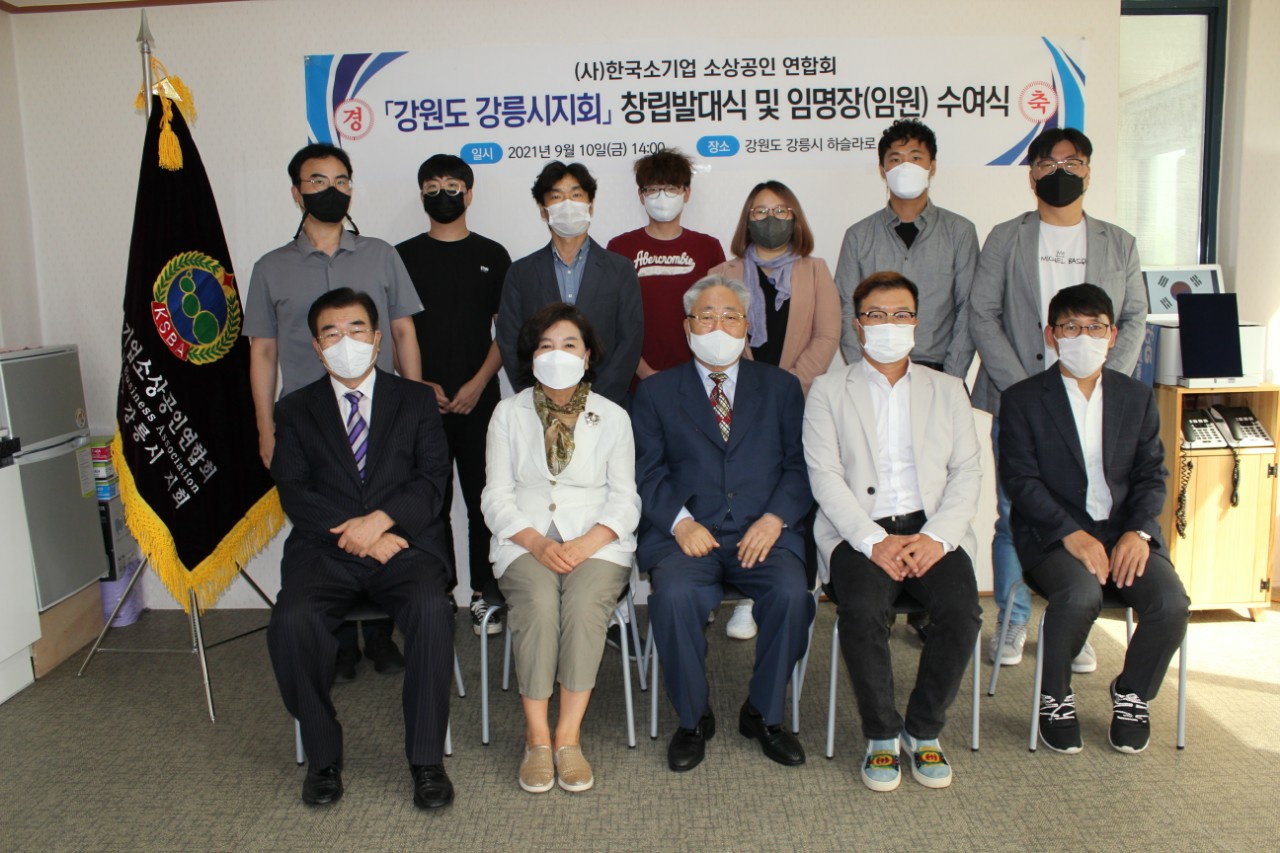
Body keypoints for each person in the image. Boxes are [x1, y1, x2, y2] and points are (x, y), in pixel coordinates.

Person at [267, 288, 455, 809]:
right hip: (326, 550)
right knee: (292, 621)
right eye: (331, 333)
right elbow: (293, 489)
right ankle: (323, 756)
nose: (344, 341)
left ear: (376, 339)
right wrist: (357, 534)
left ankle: (426, 760)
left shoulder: (415, 399)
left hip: (403, 545)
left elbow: (433, 479)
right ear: (316, 346)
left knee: (432, 609)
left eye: (355, 329)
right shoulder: (295, 409)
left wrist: (380, 523)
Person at [969, 127, 1148, 671]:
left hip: (1096, 403)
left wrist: (1102, 383)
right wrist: (1026, 392)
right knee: (1013, 513)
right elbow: (983, 314)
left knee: (1090, 515)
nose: (1059, 171)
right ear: (1032, 175)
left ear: (1089, 171)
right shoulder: (1006, 236)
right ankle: (1013, 617)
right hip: (1020, 399)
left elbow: (1133, 317)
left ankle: (1076, 618)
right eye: (1047, 163)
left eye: (1071, 162)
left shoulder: (1119, 242)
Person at [246, 143, 423, 682]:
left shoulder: (381, 255)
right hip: (311, 428)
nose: (332, 189)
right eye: (318, 181)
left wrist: (417, 407)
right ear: (296, 191)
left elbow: (403, 332)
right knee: (326, 518)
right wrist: (265, 427)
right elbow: (263, 352)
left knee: (384, 509)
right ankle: (341, 640)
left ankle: (383, 634)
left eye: (341, 180)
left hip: (380, 417)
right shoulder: (270, 268)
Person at [803, 272, 982, 792]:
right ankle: (881, 733)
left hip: (931, 528)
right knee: (862, 611)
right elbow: (824, 475)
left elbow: (967, 472)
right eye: (876, 315)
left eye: (900, 314)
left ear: (916, 323)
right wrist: (872, 540)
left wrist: (937, 538)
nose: (889, 324)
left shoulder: (947, 389)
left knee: (962, 612)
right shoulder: (828, 390)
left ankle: (923, 730)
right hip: (857, 531)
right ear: (858, 326)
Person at [633, 274, 816, 773]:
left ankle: (763, 713)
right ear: (688, 326)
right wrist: (679, 523)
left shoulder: (781, 388)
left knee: (791, 595)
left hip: (764, 533)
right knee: (673, 599)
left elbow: (801, 466)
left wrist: (776, 519)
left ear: (748, 326)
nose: (719, 326)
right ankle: (693, 719)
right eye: (707, 316)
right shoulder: (656, 392)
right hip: (688, 537)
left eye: (731, 316)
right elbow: (645, 472)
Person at [998, 284, 1188, 754]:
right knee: (1080, 595)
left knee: (1170, 604)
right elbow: (1021, 481)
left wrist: (1138, 532)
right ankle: (1055, 697)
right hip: (1053, 535)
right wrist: (1070, 533)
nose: (1084, 337)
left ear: (1112, 335)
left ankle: (1132, 692)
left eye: (1095, 327)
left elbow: (1152, 475)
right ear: (1051, 335)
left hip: (1124, 532)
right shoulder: (1023, 399)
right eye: (1071, 327)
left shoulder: (1135, 397)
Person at [481, 303, 640, 794]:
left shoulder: (613, 416)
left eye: (569, 344)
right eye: (546, 345)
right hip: (523, 539)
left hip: (598, 542)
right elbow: (495, 496)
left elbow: (626, 498)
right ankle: (537, 739)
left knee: (584, 605)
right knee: (538, 603)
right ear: (531, 357)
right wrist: (533, 540)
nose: (557, 354)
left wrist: (588, 542)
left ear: (587, 356)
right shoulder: (507, 414)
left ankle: (568, 738)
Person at [709, 180, 840, 640]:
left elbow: (827, 335)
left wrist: (785, 387)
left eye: (781, 210)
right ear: (747, 219)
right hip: (735, 399)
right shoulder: (722, 272)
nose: (771, 219)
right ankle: (743, 593)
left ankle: (784, 585)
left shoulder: (815, 270)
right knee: (743, 486)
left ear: (795, 218)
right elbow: (714, 334)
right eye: (760, 211)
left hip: (797, 399)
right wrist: (750, 388)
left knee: (791, 485)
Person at [396, 154, 512, 637]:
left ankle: (486, 593)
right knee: (430, 501)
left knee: (486, 497)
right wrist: (417, 385)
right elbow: (397, 329)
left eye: (451, 185)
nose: (442, 194)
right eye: (432, 186)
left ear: (469, 192)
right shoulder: (401, 256)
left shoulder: (493, 254)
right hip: (421, 402)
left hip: (479, 396)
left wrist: (479, 382)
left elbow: (506, 330)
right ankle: (438, 593)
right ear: (421, 193)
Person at [834, 119, 978, 378]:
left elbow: (968, 308)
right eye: (895, 159)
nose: (905, 167)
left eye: (915, 157)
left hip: (938, 372)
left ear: (932, 166)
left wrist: (951, 379)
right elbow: (845, 309)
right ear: (883, 169)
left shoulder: (960, 232)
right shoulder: (858, 235)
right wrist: (864, 375)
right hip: (873, 372)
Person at [496, 161, 643, 405]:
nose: (567, 204)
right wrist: (541, 401)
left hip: (606, 405)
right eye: (557, 196)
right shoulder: (521, 273)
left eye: (576, 195)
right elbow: (510, 341)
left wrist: (597, 402)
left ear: (590, 206)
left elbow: (630, 341)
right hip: (540, 408)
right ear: (543, 210)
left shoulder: (620, 270)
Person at [606, 148, 726, 387]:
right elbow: (611, 317)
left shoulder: (708, 248)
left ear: (686, 193)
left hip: (698, 378)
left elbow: (720, 316)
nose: (662, 197)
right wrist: (643, 371)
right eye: (653, 189)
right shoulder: (620, 247)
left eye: (671, 188)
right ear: (641, 196)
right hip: (636, 381)